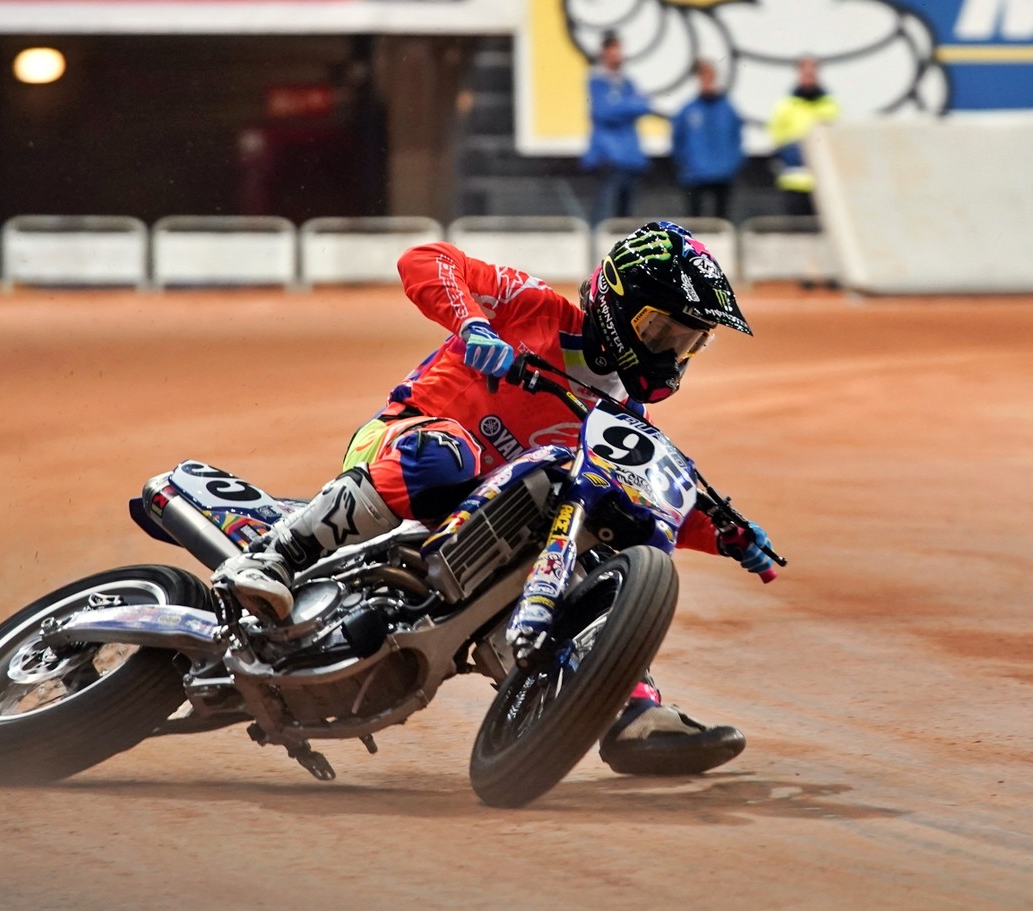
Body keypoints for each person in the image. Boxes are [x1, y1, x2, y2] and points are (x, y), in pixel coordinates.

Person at [215, 221, 776, 777]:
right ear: (615, 302)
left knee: (597, 556)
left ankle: (630, 712)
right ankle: (275, 556)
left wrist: (723, 533)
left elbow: (645, 503)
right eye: (660, 332)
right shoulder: (532, 307)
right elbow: (425, 257)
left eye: (687, 341)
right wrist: (474, 326)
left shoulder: (624, 419)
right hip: (406, 447)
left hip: (486, 529)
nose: (669, 352)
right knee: (449, 456)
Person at [581, 33, 652, 227]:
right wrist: (629, 105)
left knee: (626, 219)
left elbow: (644, 105)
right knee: (606, 216)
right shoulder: (597, 81)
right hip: (609, 158)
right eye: (613, 50)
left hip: (630, 159)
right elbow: (603, 111)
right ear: (604, 53)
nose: (618, 55)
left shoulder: (626, 83)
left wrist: (621, 105)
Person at [767, 56, 840, 217]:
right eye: (805, 73)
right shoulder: (785, 106)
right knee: (795, 232)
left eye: (812, 73)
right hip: (793, 181)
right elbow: (776, 138)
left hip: (823, 183)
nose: (809, 77)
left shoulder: (830, 105)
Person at [671, 59, 745, 219]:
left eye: (710, 75)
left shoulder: (727, 109)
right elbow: (678, 140)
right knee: (695, 221)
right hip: (695, 175)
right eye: (703, 76)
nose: (707, 80)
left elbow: (736, 138)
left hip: (723, 175)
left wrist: (732, 165)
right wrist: (686, 166)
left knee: (722, 220)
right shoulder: (688, 110)